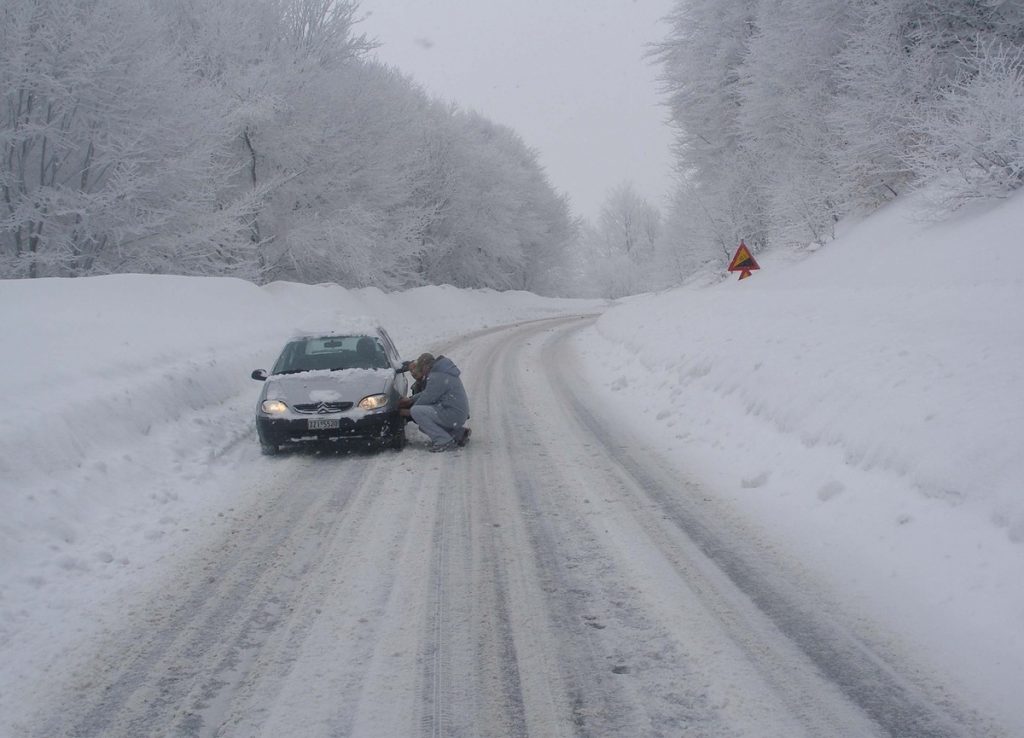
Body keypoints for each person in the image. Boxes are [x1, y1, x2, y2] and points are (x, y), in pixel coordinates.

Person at [399, 352, 471, 452]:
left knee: (417, 412)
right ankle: (458, 434)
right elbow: (428, 393)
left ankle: (443, 441)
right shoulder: (442, 372)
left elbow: (427, 399)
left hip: (453, 413)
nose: (422, 373)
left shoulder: (437, 376)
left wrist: (408, 411)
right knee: (424, 423)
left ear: (425, 366)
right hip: (457, 412)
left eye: (421, 369)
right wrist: (411, 399)